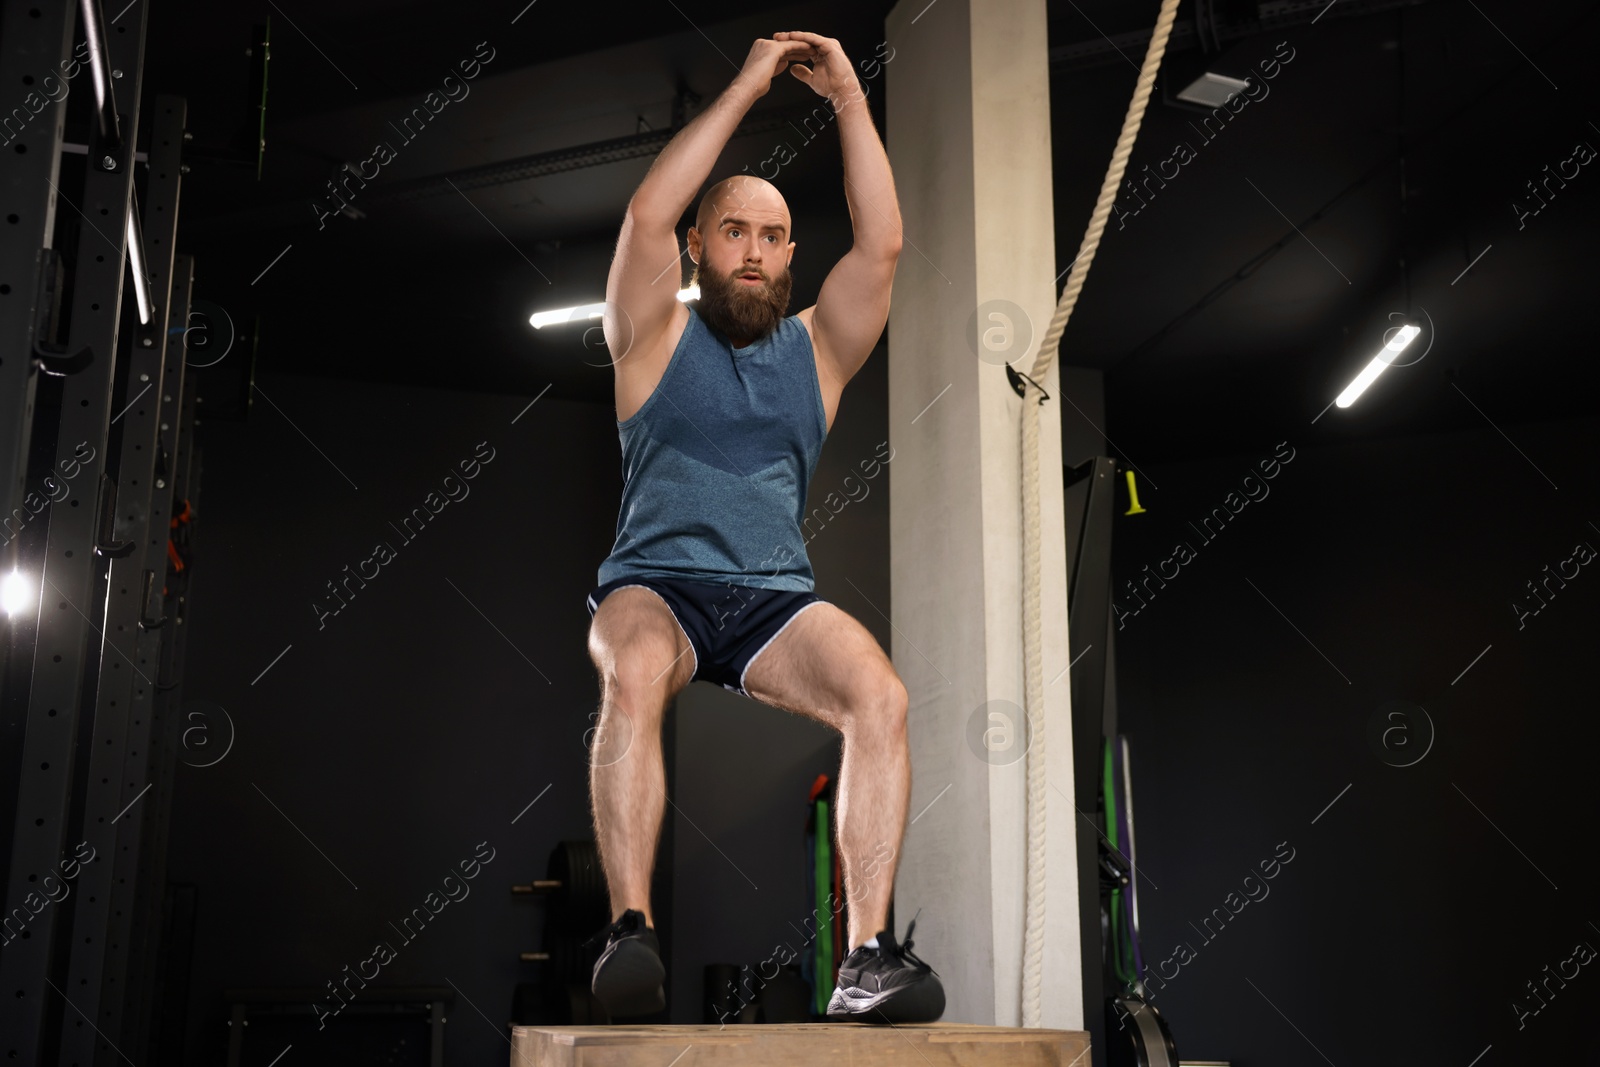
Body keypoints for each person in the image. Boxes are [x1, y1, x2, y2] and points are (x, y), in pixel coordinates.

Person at [581, 31, 943, 1025]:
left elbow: (883, 247)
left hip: (771, 596)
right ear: (701, 248)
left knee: (881, 694)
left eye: (771, 233)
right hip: (651, 583)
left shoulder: (820, 348)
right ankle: (629, 927)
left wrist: (848, 103)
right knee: (636, 668)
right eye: (731, 229)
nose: (752, 247)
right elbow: (647, 209)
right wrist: (747, 85)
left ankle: (865, 954)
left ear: (789, 253)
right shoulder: (650, 334)